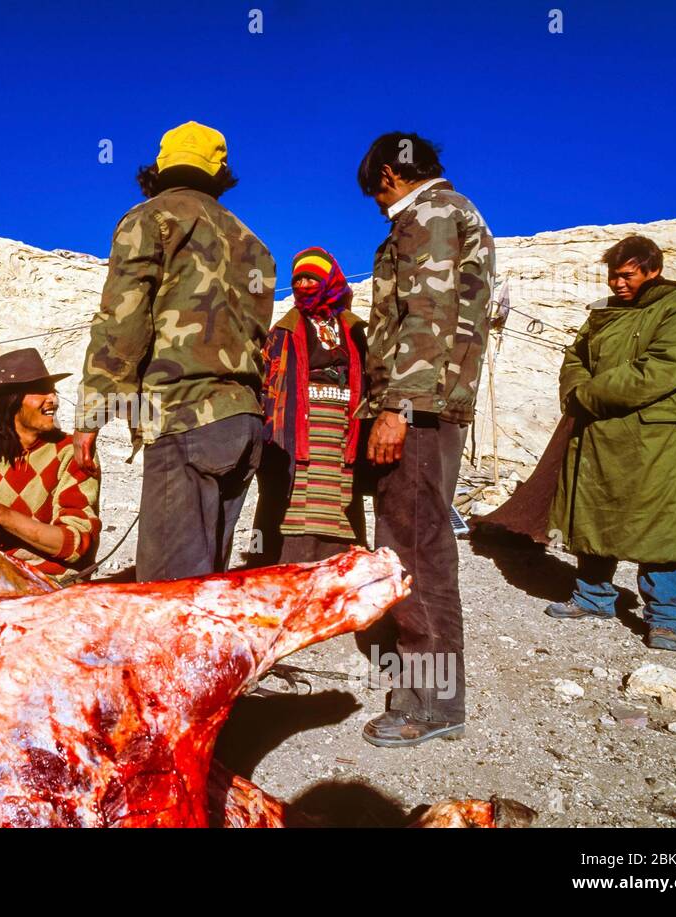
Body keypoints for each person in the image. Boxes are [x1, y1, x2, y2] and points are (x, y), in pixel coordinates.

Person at [73, 121, 275, 582]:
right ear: (219, 172)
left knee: (169, 590)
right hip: (243, 422)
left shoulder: (151, 219)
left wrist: (91, 420)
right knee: (205, 586)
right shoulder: (255, 246)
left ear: (161, 167)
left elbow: (122, 323)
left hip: (184, 415)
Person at [355, 132, 495, 748]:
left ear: (389, 174)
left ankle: (433, 705)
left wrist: (396, 409)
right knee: (414, 541)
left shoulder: (431, 214)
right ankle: (421, 687)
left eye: (375, 190)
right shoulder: (453, 213)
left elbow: (426, 315)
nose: (377, 203)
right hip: (431, 408)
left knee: (416, 549)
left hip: (419, 411)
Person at [545, 235, 676, 652]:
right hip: (600, 436)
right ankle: (593, 598)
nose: (617, 283)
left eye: (627, 275)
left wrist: (590, 396)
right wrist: (576, 391)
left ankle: (665, 619)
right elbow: (575, 357)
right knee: (596, 516)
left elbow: (661, 369)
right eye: (612, 275)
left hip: (657, 441)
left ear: (652, 269)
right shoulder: (604, 315)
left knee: (661, 526)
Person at [0, 348, 100, 584]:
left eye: (52, 391)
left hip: (54, 583)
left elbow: (76, 544)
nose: (53, 399)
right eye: (41, 391)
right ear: (10, 402)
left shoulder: (71, 452)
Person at [254, 248, 367, 563]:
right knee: (294, 498)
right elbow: (269, 382)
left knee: (338, 497)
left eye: (311, 278)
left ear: (329, 281)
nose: (304, 285)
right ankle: (285, 569)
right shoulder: (284, 331)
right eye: (298, 279)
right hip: (299, 425)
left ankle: (336, 572)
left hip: (342, 427)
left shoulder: (355, 330)